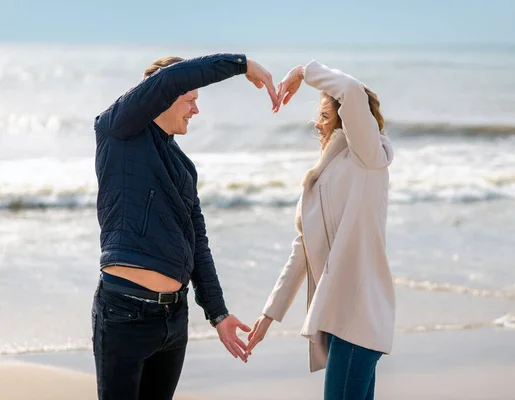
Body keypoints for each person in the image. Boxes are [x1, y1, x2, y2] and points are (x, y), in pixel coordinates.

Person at [91, 53, 277, 400]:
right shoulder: (118, 130)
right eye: (189, 99)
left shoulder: (183, 167)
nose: (196, 110)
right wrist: (242, 64)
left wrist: (218, 313)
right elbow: (168, 80)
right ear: (162, 97)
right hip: (124, 313)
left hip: (174, 319)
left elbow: (198, 244)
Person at [248, 60, 395, 400]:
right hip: (339, 318)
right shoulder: (327, 175)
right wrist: (269, 315)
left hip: (358, 319)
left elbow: (352, 92)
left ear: (349, 121)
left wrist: (302, 72)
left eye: (325, 116)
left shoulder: (368, 157)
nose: (317, 123)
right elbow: (303, 248)